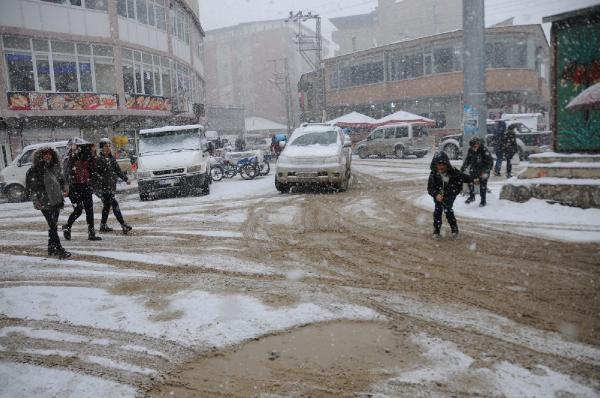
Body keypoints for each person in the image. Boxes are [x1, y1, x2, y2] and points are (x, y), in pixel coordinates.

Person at [26, 147, 71, 259]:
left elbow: (62, 179)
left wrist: (65, 188)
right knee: (52, 225)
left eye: (49, 154)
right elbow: (32, 187)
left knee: (53, 226)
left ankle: (51, 248)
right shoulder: (35, 169)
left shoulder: (55, 167)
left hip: (56, 199)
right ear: (41, 156)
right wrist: (36, 200)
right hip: (44, 201)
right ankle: (60, 249)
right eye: (45, 154)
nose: (48, 156)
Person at [62, 138, 102, 241]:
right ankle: (67, 226)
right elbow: (65, 173)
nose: (79, 148)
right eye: (76, 146)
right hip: (74, 187)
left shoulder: (86, 155)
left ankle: (91, 233)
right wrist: (66, 187)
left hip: (86, 186)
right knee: (78, 210)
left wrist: (93, 153)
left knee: (89, 210)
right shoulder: (68, 158)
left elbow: (94, 168)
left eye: (79, 146)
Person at [428, 152, 470, 241]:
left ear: (447, 164)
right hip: (438, 196)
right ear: (435, 165)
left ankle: (454, 230)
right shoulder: (433, 174)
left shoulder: (453, 172)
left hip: (450, 194)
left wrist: (475, 179)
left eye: (443, 164)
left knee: (448, 211)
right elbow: (430, 188)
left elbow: (464, 177)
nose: (441, 167)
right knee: (437, 212)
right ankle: (436, 231)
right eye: (438, 165)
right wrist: (436, 194)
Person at [94, 138, 133, 234]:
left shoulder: (111, 158)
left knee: (106, 207)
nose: (108, 148)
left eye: (109, 146)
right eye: (106, 146)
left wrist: (126, 179)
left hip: (111, 186)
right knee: (115, 205)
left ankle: (103, 226)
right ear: (101, 148)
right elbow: (95, 174)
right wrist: (99, 185)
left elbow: (118, 171)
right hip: (103, 188)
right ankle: (123, 225)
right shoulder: (99, 159)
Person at [461, 137, 494, 207]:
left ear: (478, 144)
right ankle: (472, 196)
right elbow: (468, 160)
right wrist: (462, 169)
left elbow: (490, 162)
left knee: (482, 185)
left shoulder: (484, 150)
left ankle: (483, 201)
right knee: (470, 180)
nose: (474, 148)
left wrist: (485, 171)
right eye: (472, 146)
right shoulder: (471, 150)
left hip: (484, 171)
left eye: (475, 146)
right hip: (474, 169)